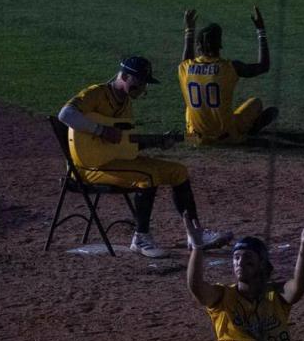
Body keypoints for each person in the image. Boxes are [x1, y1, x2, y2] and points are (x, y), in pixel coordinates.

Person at [58, 57, 231, 257]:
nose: (142, 88)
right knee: (146, 177)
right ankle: (140, 237)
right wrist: (99, 130)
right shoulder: (96, 94)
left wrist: (157, 142)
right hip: (88, 168)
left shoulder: (126, 104)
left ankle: (195, 233)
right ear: (123, 76)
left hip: (114, 161)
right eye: (138, 82)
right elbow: (65, 114)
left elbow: (125, 144)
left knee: (178, 171)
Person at [178, 7, 278, 145]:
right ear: (220, 46)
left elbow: (186, 60)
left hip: (195, 139)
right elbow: (264, 66)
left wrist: (189, 30)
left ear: (198, 47)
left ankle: (195, 135)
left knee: (190, 108)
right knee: (256, 103)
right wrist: (261, 30)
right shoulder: (229, 67)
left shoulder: (185, 67)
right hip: (226, 137)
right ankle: (248, 131)